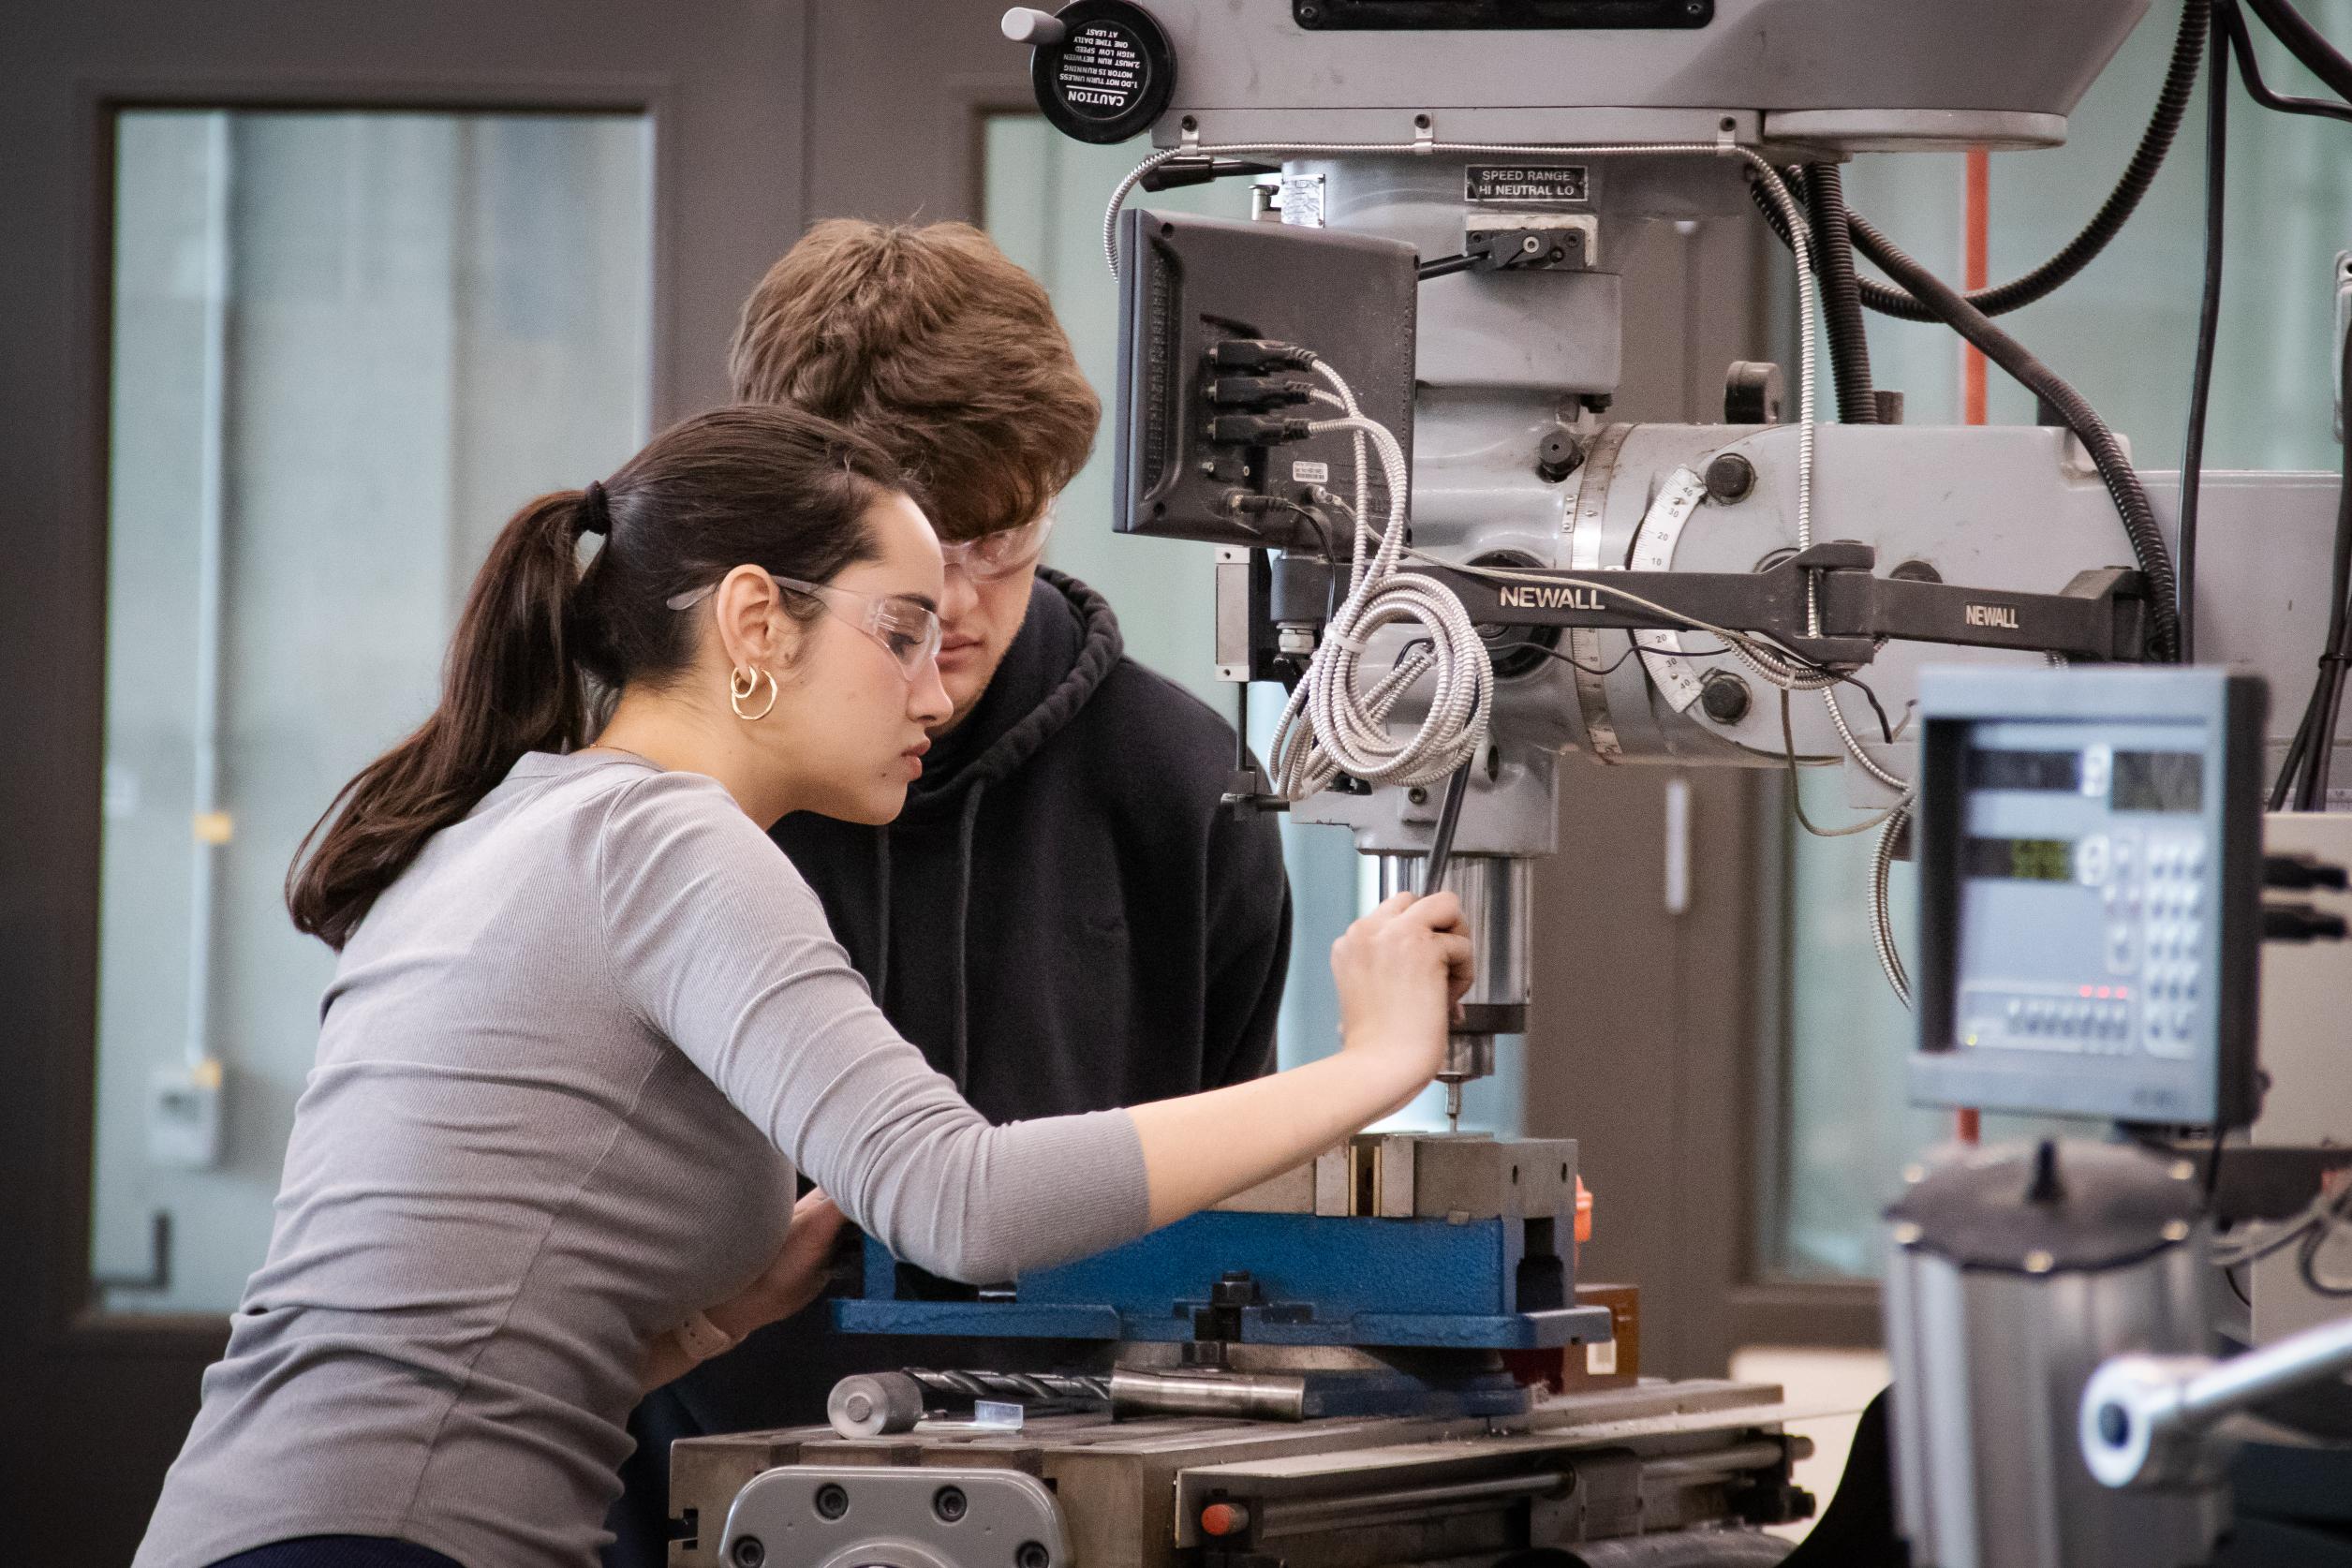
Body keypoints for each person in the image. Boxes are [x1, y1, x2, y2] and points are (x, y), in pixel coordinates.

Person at [131, 405, 1468, 1568]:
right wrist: (1370, 1064)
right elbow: (961, 1198)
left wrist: (718, 1309)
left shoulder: (515, 821)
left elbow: (440, 1318)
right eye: (900, 630)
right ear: (756, 620)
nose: (936, 686)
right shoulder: (674, 838)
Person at [607, 222, 1293, 1565]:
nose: (963, 604)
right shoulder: (665, 799)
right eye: (918, 558)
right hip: (676, 1488)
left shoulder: (1183, 789)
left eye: (1006, 535)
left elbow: (1216, 1202)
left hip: (1083, 1504)